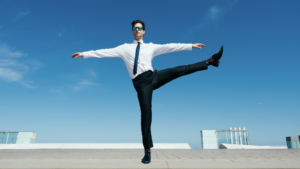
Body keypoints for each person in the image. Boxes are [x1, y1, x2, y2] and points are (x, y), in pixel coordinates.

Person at [72, 20, 224, 164]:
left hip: (153, 76)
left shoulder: (150, 47)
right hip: (141, 84)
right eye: (134, 28)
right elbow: (104, 52)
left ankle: (210, 61)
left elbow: (170, 46)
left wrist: (190, 45)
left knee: (178, 70)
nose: (137, 30)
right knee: (146, 114)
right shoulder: (124, 48)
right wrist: (85, 53)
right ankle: (147, 150)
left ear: (144, 31)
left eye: (139, 28)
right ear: (132, 31)